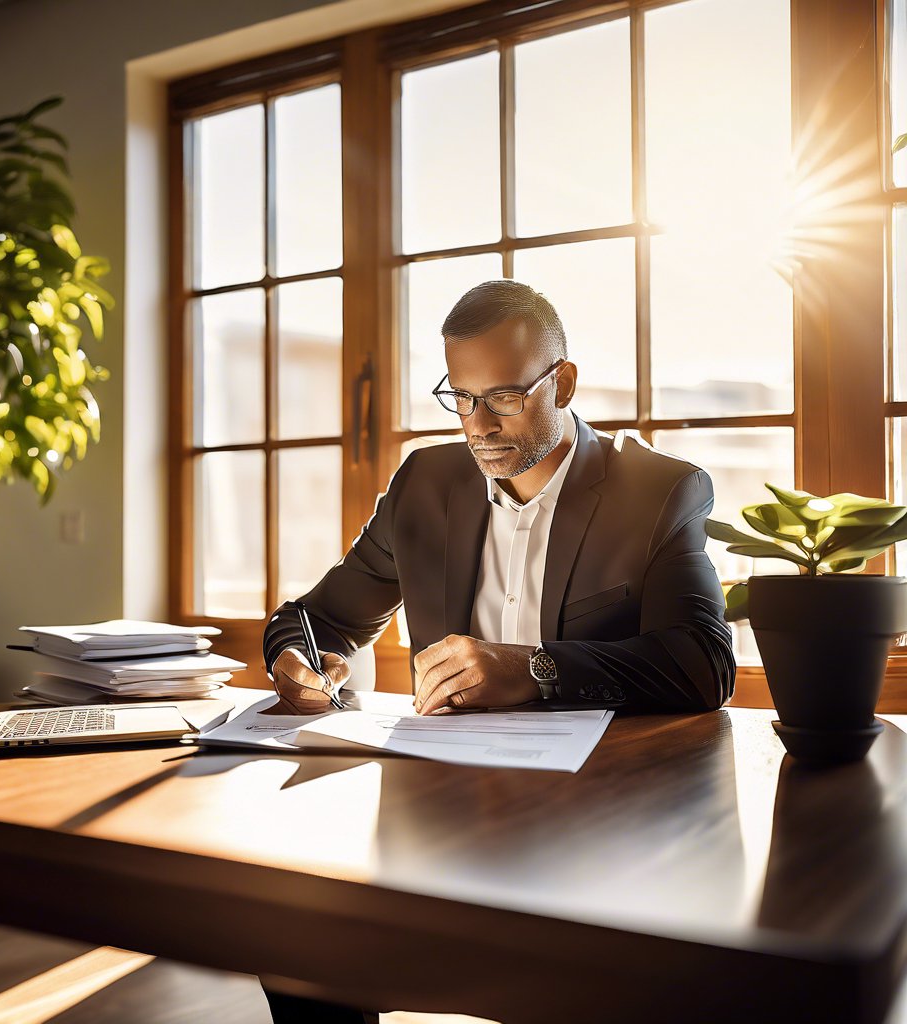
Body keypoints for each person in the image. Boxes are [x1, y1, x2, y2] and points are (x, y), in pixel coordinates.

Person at [258, 279, 736, 1022]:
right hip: (436, 811)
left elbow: (703, 663)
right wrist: (298, 660)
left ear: (564, 382)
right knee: (295, 931)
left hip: (595, 823)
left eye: (504, 397)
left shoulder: (659, 491)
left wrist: (534, 668)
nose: (477, 424)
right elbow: (319, 617)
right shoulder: (426, 482)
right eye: (461, 396)